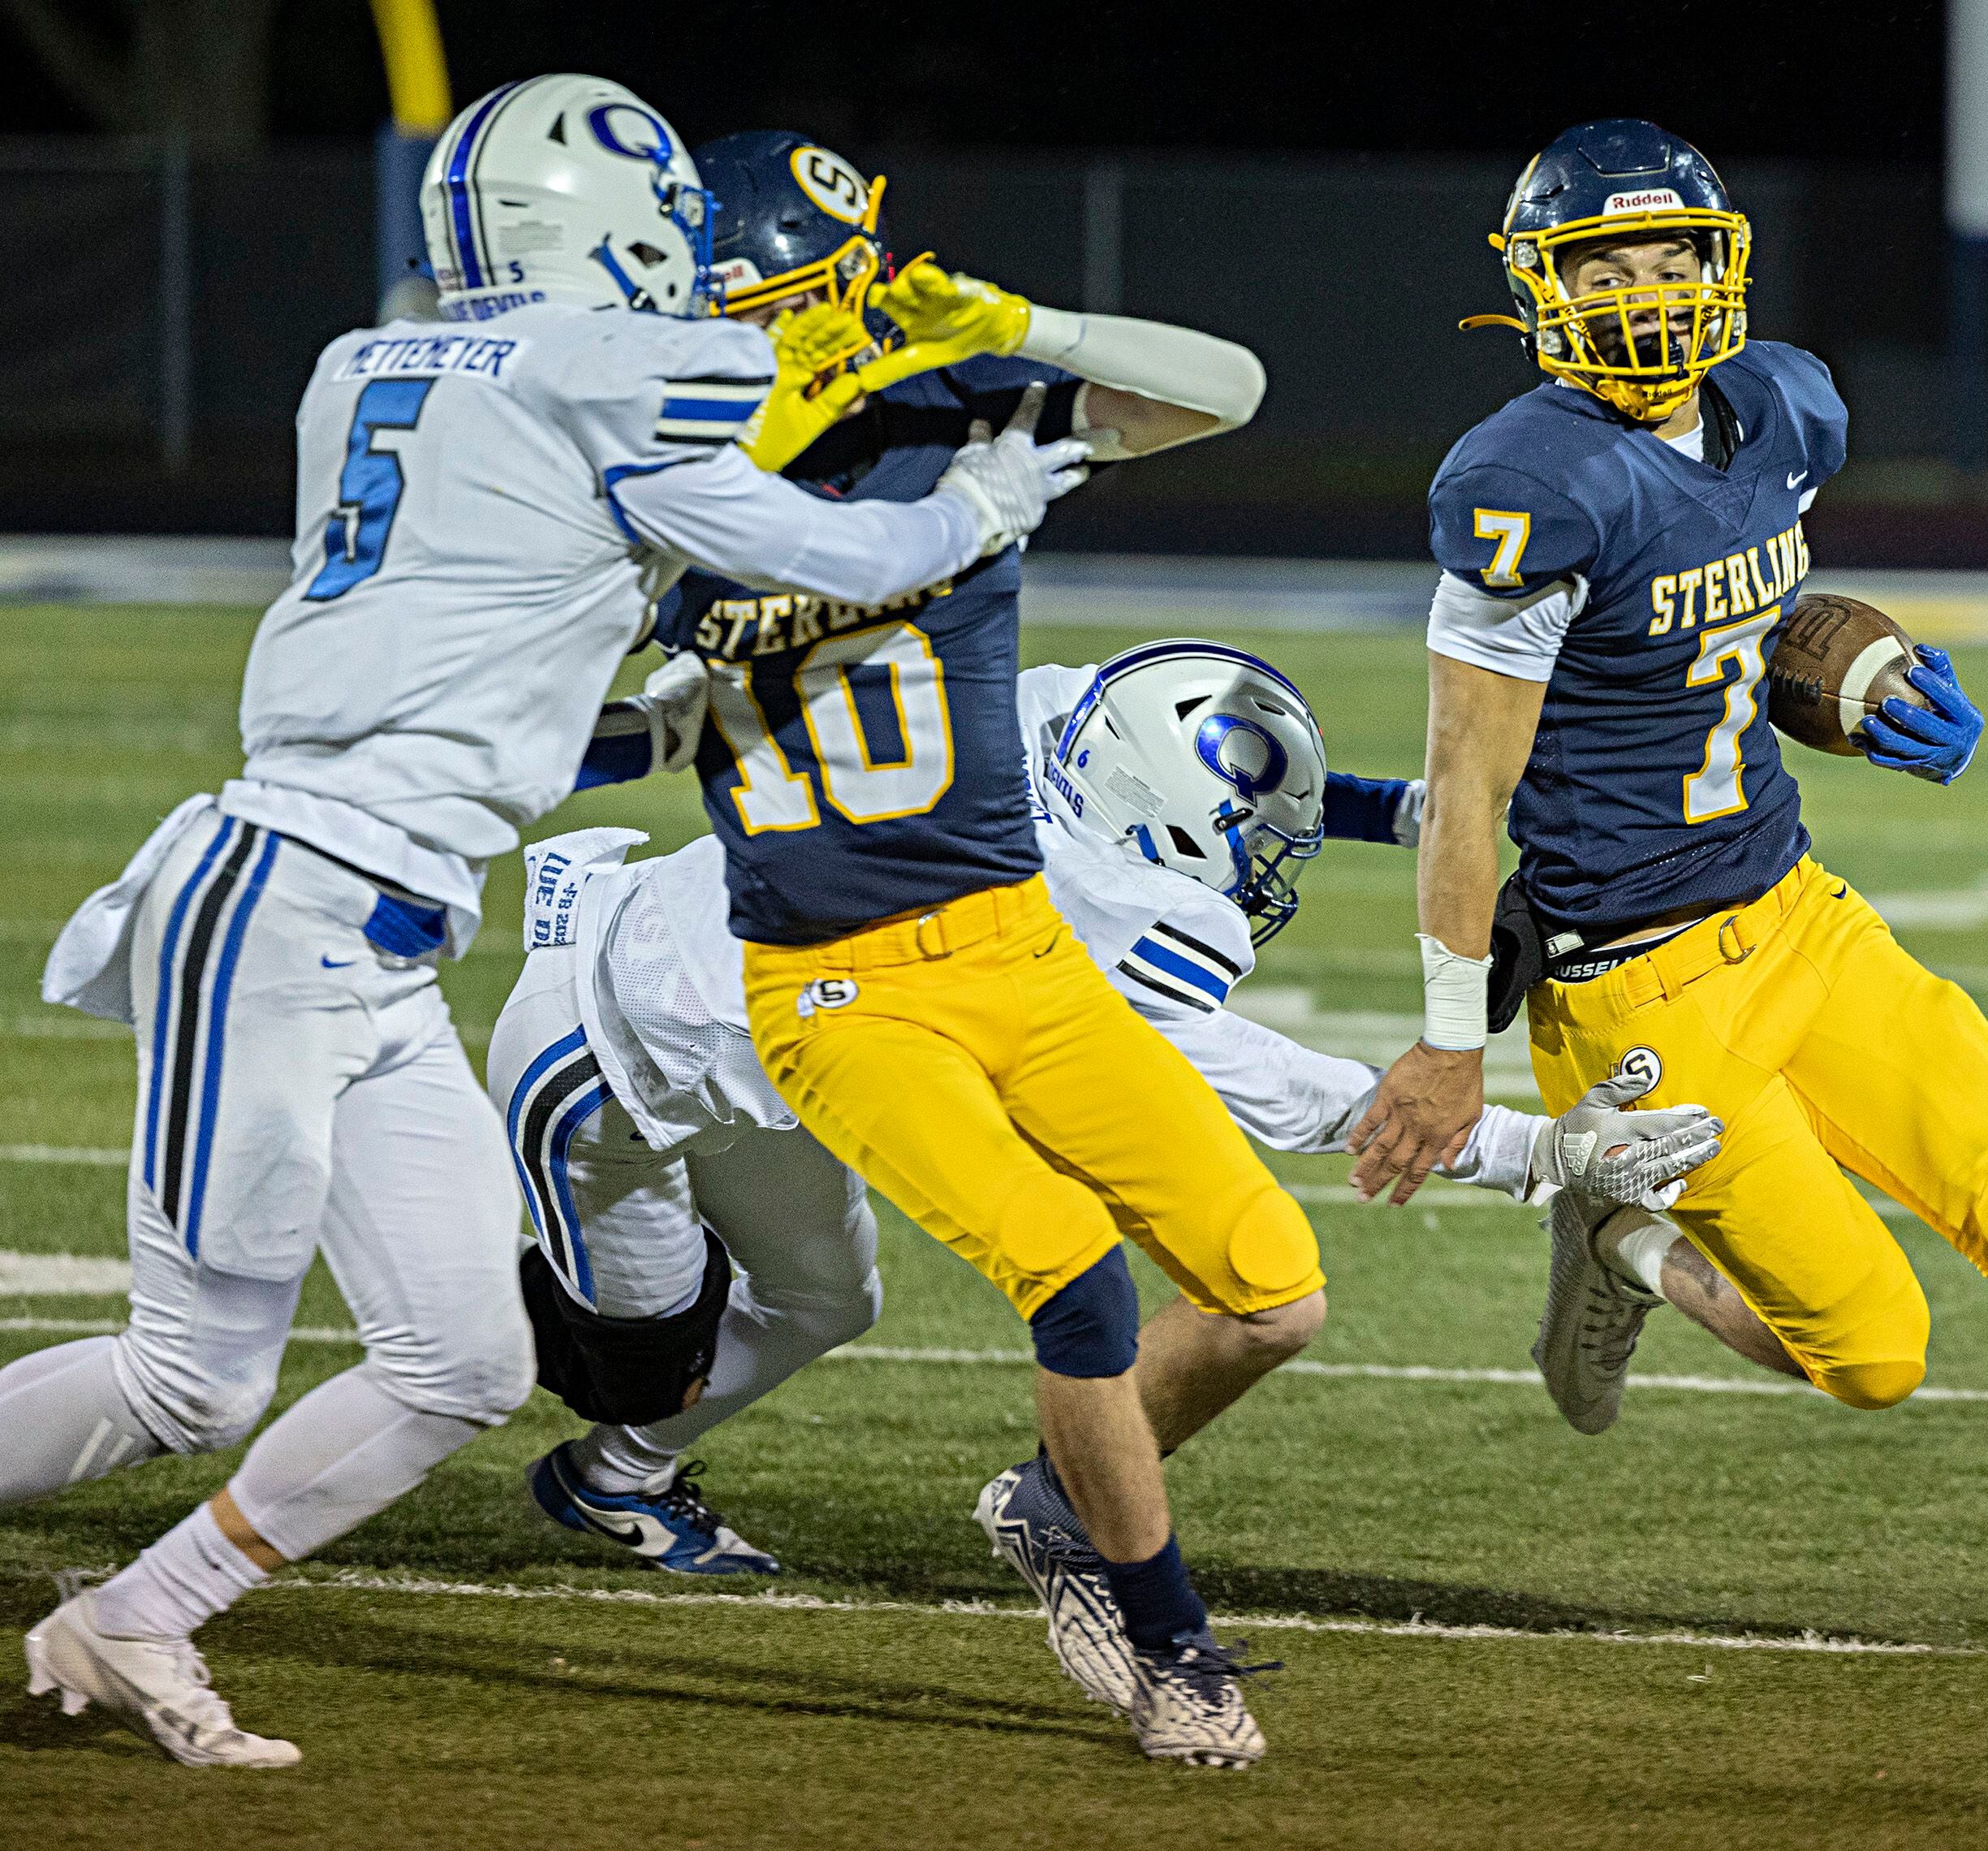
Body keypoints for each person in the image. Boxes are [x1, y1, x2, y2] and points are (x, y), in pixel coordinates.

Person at [4, 76, 1081, 1769]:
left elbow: (501, 619)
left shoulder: (373, 358)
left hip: (382, 926)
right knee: (187, 1383)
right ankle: (133, 1602)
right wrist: (978, 512)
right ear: (619, 218)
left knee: (459, 1362)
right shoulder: (607, 370)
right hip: (287, 897)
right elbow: (808, 540)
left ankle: (135, 1615)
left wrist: (657, 705)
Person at [1348, 118, 1988, 1672]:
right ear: (1538, 288)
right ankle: (1621, 1241)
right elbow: (1468, 794)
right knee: (1876, 1359)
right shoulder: (1529, 484)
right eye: (1601, 261)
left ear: (1724, 263)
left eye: (1668, 252)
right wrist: (1451, 1042)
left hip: (1796, 912)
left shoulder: (1783, 408)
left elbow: (1718, 659)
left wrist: (1856, 701)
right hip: (1635, 982)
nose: (1641, 290)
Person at [563, 127, 1335, 1767]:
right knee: (1074, 1275)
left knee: (1272, 1293)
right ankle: (1167, 1643)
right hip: (835, 984)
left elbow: (1232, 383)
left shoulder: (942, 414)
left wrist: (1018, 327)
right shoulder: (657, 470)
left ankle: (1060, 1516)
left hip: (1011, 948)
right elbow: (612, 702)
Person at [492, 640, 1720, 1623]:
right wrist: (1529, 1152)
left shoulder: (1056, 721)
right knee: (621, 1362)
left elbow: (1195, 777)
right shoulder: (1104, 914)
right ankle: (484, 1279)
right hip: (613, 1048)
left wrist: (1409, 813)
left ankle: (615, 1480)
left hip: (783, 1055)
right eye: (1249, 849)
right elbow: (1268, 1086)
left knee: (829, 1299)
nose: (1259, 867)